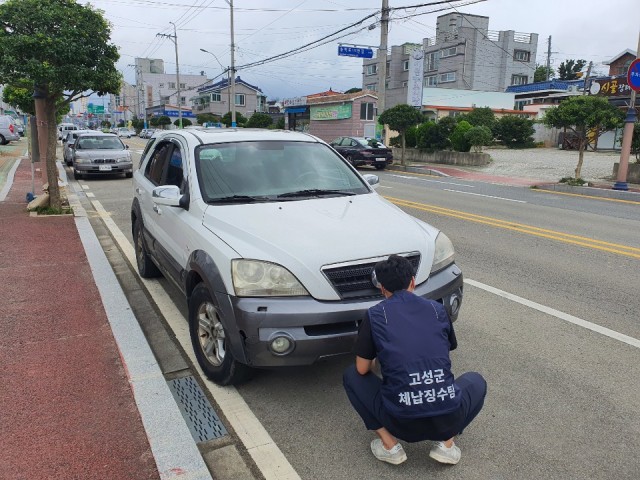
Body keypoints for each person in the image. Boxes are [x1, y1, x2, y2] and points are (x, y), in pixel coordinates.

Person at [343, 255, 486, 466]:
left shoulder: (375, 315)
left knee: (351, 375)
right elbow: (444, 350)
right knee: (477, 381)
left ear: (382, 288)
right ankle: (446, 444)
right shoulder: (437, 310)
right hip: (448, 417)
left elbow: (362, 369)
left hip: (401, 423)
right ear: (412, 281)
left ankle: (390, 446)